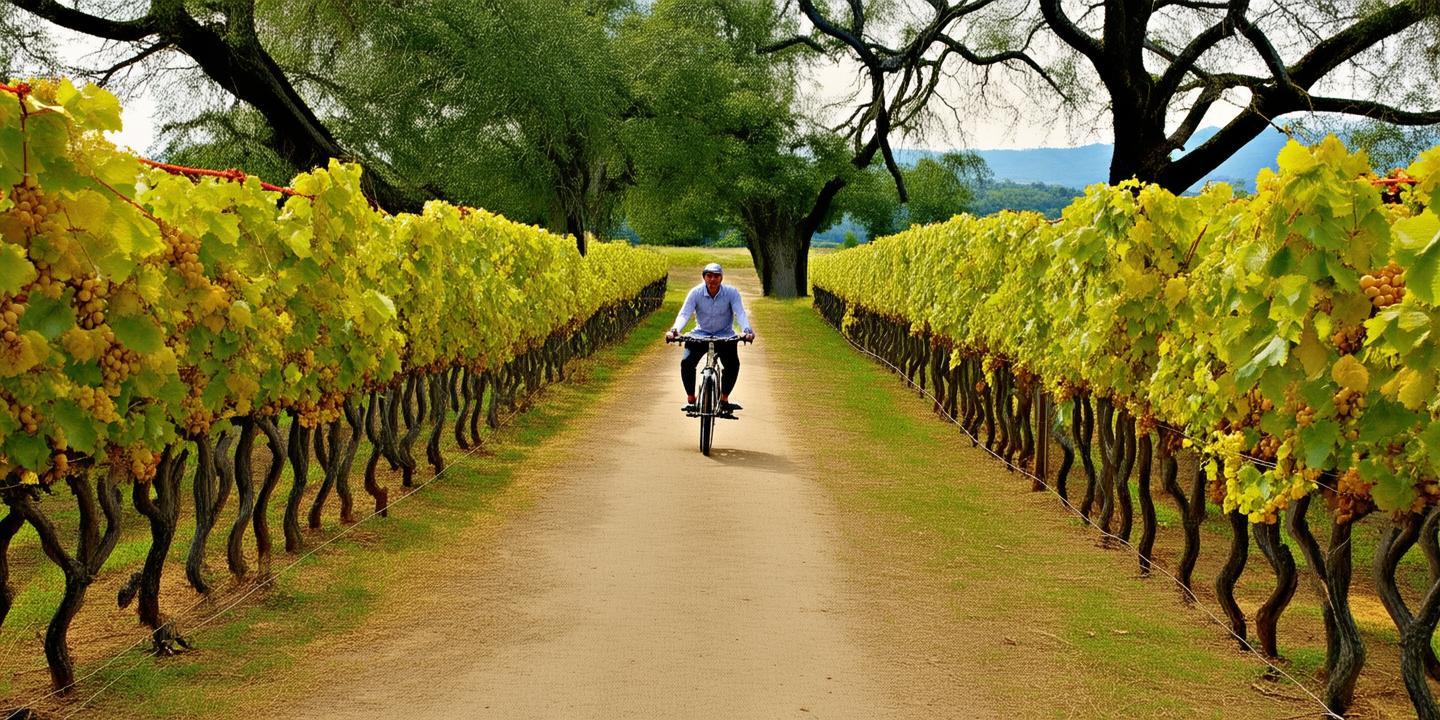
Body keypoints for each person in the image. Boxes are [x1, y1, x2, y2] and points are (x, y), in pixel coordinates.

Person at [665, 262, 755, 413]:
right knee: (686, 362)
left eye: (716, 276)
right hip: (700, 335)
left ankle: (724, 399)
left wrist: (747, 330)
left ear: (721, 278)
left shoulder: (731, 293)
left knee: (733, 365)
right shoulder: (695, 293)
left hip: (725, 336)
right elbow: (684, 314)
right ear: (704, 277)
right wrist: (674, 330)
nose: (712, 279)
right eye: (709, 276)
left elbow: (740, 313)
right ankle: (691, 398)